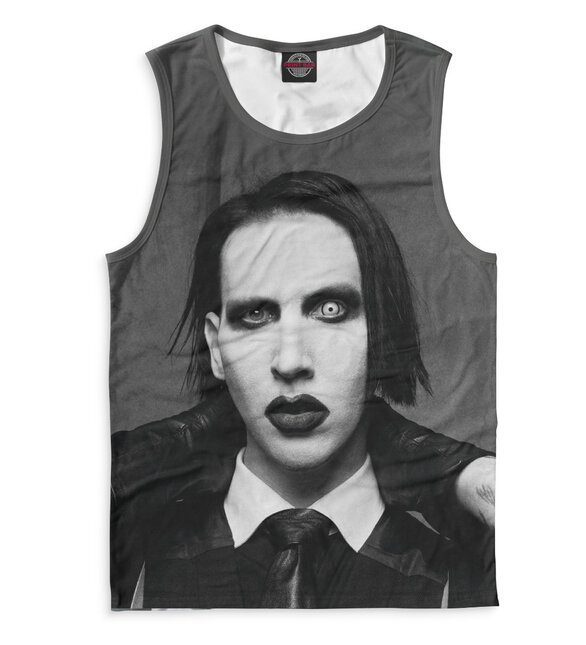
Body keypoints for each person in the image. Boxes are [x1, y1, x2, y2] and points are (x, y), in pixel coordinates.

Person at [110, 171, 497, 609]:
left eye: (330, 310)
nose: (291, 361)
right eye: (255, 315)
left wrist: (458, 474)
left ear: (381, 336)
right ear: (216, 348)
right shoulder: (124, 555)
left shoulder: (475, 568)